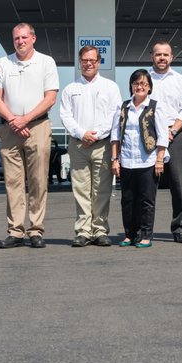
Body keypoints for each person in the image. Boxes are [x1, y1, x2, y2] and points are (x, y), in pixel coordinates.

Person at [0, 22, 60, 249]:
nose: (20, 42)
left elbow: (50, 98)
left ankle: (36, 230)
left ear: (33, 38)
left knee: (38, 180)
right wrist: (14, 120)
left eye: (23, 37)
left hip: (37, 127)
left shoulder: (46, 62)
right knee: (12, 182)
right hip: (10, 129)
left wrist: (26, 118)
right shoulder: (3, 63)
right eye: (16, 38)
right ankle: (15, 230)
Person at [59, 45, 122, 247]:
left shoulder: (110, 87)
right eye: (85, 60)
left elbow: (114, 115)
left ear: (99, 62)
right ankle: (83, 231)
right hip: (78, 146)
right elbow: (65, 116)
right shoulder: (70, 89)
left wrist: (95, 135)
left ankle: (100, 230)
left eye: (92, 60)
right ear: (80, 62)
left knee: (102, 189)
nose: (88, 64)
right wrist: (81, 134)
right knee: (81, 190)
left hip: (102, 145)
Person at [111, 69, 169, 248]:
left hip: (148, 161)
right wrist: (115, 159)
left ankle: (145, 235)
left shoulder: (155, 106)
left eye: (144, 84)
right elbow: (115, 135)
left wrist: (160, 159)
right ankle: (130, 234)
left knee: (146, 200)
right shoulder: (123, 107)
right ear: (131, 86)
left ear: (149, 87)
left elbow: (162, 135)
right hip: (127, 160)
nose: (140, 87)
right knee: (127, 200)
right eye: (136, 83)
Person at [148, 41, 182, 243]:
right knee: (148, 185)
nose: (162, 58)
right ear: (152, 56)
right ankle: (145, 229)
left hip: (174, 135)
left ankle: (179, 228)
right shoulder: (144, 78)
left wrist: (172, 130)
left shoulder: (180, 80)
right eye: (158, 54)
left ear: (171, 57)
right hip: (149, 136)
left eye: (165, 55)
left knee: (177, 184)